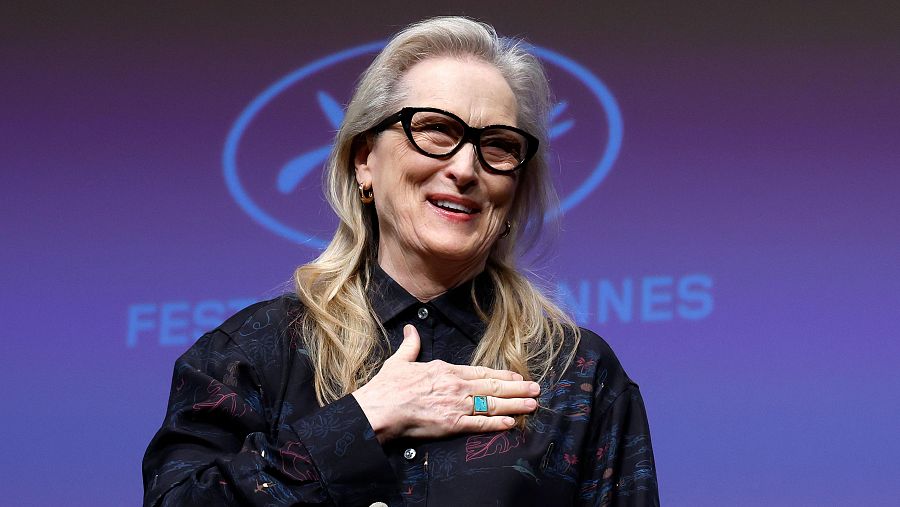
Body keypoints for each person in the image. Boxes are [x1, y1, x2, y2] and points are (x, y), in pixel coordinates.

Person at [143, 16, 658, 507]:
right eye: (435, 130)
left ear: (517, 187)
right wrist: (361, 421)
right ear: (364, 160)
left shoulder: (579, 377)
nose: (465, 168)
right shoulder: (249, 356)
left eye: (498, 146)